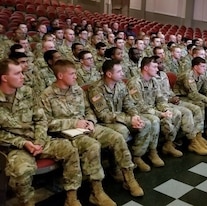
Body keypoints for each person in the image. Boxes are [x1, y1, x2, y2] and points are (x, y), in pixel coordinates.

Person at [40, 60, 143, 205]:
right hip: (65, 133)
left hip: (85, 126)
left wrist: (90, 121)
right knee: (92, 145)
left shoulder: (77, 89)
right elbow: (47, 123)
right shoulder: (47, 95)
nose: (76, 76)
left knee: (117, 137)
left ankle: (129, 178)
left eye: (76, 73)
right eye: (72, 74)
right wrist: (74, 123)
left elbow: (89, 109)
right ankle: (97, 191)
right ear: (61, 75)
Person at [0, 59, 82, 206]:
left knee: (69, 149)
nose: (23, 76)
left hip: (39, 139)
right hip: (15, 147)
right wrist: (24, 143)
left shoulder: (28, 92)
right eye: (17, 73)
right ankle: (27, 203)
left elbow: (41, 120)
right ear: (4, 78)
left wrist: (39, 141)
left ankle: (72, 197)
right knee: (21, 170)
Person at [86, 59, 155, 172]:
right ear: (109, 74)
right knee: (122, 130)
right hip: (104, 122)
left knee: (145, 123)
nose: (123, 73)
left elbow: (129, 103)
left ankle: (136, 156)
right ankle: (116, 166)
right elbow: (103, 115)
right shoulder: (96, 89)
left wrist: (134, 116)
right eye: (119, 71)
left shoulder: (121, 85)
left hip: (120, 118)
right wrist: (128, 120)